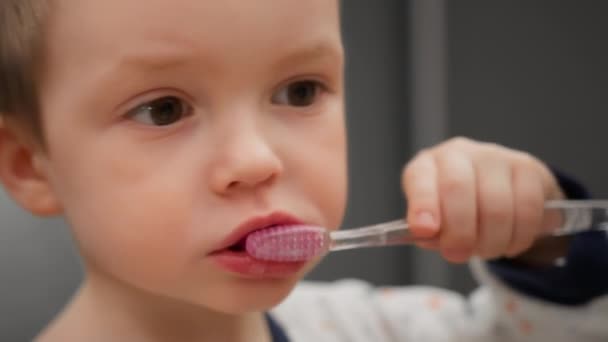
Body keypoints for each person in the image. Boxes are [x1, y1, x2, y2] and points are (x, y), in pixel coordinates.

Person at [0, 1, 606, 341]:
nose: (259, 160)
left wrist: (545, 246)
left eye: (299, 91)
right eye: (165, 109)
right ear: (31, 165)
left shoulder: (373, 331)